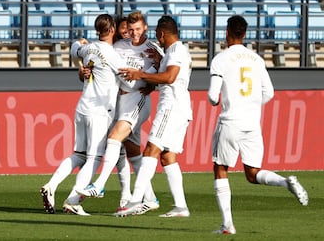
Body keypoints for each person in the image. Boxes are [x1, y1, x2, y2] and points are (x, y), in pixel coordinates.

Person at [207, 15, 309, 234]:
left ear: (227, 33)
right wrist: (250, 104)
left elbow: (213, 96)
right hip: (252, 123)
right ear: (244, 34)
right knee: (252, 174)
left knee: (220, 168)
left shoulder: (220, 59)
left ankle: (227, 225)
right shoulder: (257, 60)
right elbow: (269, 93)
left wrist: (221, 100)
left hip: (230, 121)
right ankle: (285, 182)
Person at [40, 13, 136, 216]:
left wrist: (79, 46)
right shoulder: (111, 54)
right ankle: (73, 201)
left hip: (82, 107)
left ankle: (51, 185)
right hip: (99, 111)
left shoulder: (88, 48)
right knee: (93, 158)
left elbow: (75, 49)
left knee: (78, 155)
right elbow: (129, 82)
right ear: (111, 30)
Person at [77, 11, 164, 214]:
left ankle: (99, 185)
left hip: (137, 100)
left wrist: (151, 82)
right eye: (130, 30)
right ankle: (150, 198)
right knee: (132, 152)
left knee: (114, 138)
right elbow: (98, 65)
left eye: (137, 30)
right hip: (119, 101)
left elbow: (167, 75)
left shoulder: (153, 50)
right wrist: (83, 71)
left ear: (145, 29)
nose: (132, 34)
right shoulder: (118, 46)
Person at [113, 15, 193, 218]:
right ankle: (181, 206)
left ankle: (135, 201)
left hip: (171, 107)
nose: (157, 38)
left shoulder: (175, 50)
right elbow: (163, 75)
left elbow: (170, 77)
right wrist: (152, 76)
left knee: (150, 150)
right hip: (181, 108)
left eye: (158, 35)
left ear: (162, 33)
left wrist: (141, 75)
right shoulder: (174, 51)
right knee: (168, 157)